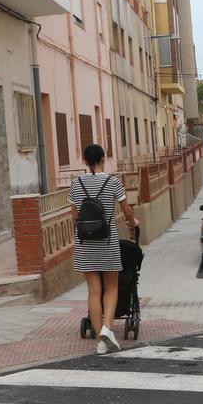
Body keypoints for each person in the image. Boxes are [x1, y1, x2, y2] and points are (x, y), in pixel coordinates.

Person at [70, 144, 140, 355]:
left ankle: (101, 340)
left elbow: (74, 217)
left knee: (94, 291)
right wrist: (132, 222)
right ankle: (107, 329)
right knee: (111, 288)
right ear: (104, 158)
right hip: (107, 243)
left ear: (84, 160)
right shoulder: (112, 182)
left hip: (84, 244)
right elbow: (126, 210)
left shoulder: (76, 184)